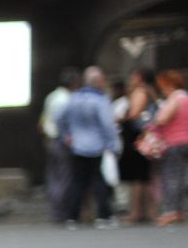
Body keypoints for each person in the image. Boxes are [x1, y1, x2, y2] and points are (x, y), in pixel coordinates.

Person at [56, 66, 119, 229]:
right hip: (96, 144)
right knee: (98, 180)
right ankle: (104, 215)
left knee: (78, 181)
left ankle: (72, 216)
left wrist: (66, 135)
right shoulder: (100, 100)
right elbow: (107, 124)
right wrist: (113, 144)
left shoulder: (74, 98)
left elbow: (59, 117)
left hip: (77, 145)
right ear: (98, 82)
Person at [40, 67, 80, 222]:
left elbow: (43, 120)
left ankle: (55, 209)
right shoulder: (67, 99)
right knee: (65, 176)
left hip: (50, 139)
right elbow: (62, 121)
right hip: (61, 140)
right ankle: (62, 211)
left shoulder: (52, 96)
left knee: (53, 175)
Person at [120, 69, 158, 224]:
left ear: (140, 78)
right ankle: (149, 211)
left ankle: (136, 212)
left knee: (138, 176)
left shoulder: (140, 92)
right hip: (145, 138)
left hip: (137, 139)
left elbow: (134, 114)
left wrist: (121, 118)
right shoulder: (150, 92)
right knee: (145, 176)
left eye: (134, 76)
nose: (131, 78)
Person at [151, 70, 188, 227]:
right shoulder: (186, 97)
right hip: (186, 141)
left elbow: (162, 119)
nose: (161, 88)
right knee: (183, 176)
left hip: (174, 142)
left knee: (172, 177)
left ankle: (172, 211)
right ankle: (180, 210)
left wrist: (156, 120)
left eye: (163, 85)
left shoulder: (175, 98)